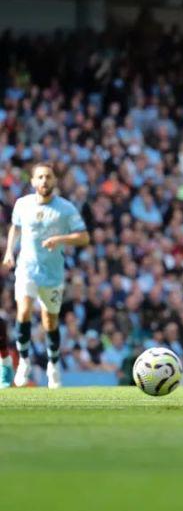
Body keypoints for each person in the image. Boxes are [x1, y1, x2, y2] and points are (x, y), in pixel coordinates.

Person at [3, 163, 90, 389]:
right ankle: (24, 361)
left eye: (48, 177)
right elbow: (15, 227)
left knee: (49, 321)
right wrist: (9, 252)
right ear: (33, 181)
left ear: (54, 181)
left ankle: (53, 365)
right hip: (27, 269)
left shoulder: (65, 208)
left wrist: (61, 240)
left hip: (53, 274)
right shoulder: (22, 204)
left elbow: (84, 237)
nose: (44, 181)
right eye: (40, 177)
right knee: (23, 311)